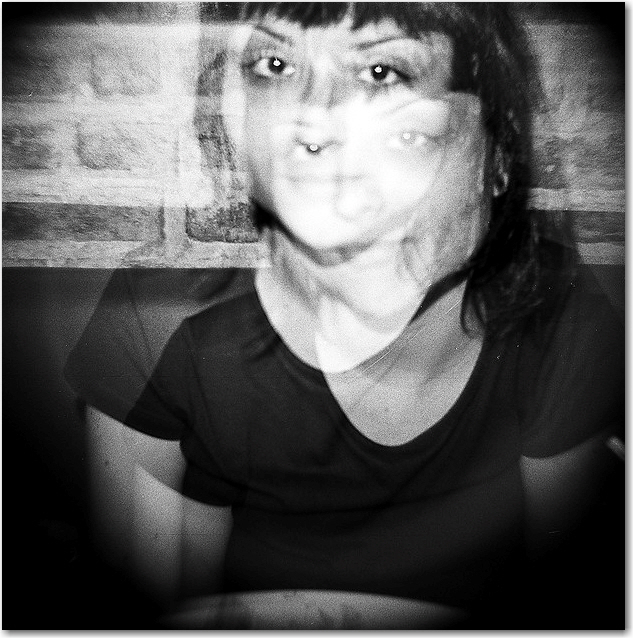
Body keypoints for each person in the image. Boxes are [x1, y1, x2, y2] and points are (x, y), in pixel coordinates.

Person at [65, 2, 624, 628]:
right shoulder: (159, 318)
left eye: (382, 73)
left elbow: (569, 607)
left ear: (494, 158)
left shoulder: (557, 316)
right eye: (274, 65)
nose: (313, 117)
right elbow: (146, 615)